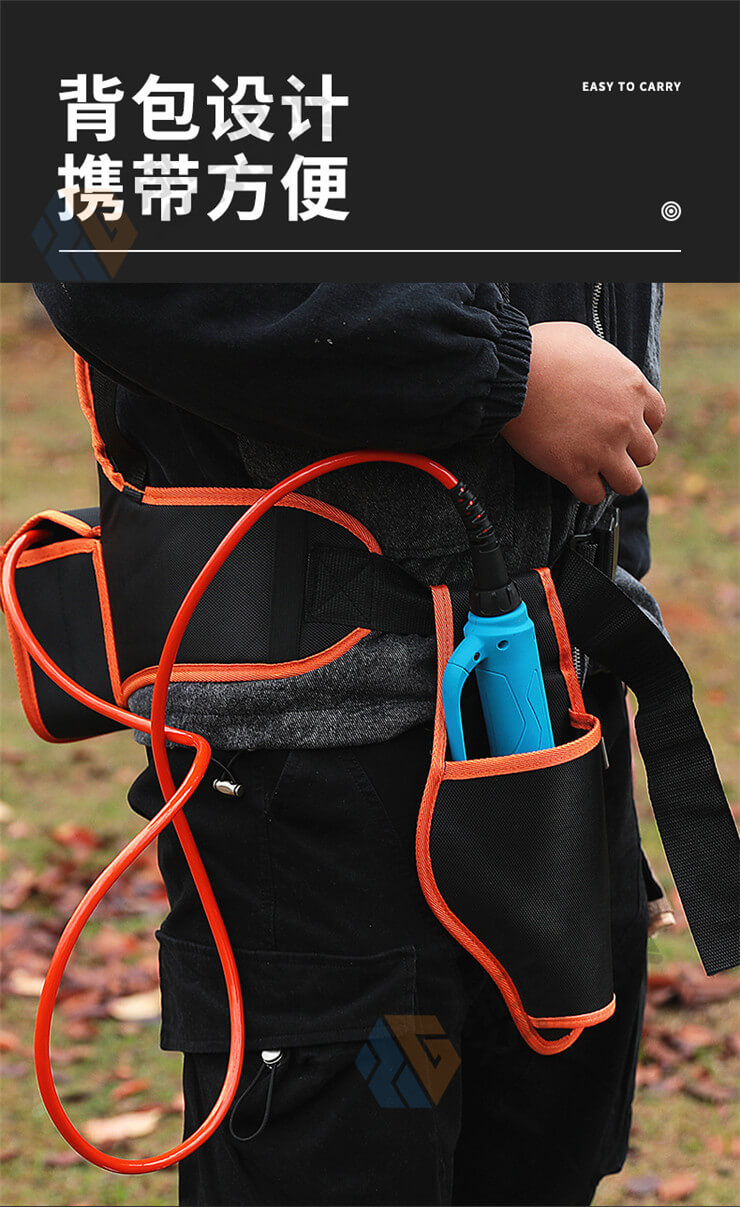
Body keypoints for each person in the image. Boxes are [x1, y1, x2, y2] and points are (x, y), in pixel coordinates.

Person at [35, 282, 666, 1206]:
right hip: (324, 796)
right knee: (359, 1158)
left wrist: (608, 564)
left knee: (535, 1153)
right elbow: (108, 254)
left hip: (551, 744)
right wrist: (502, 371)